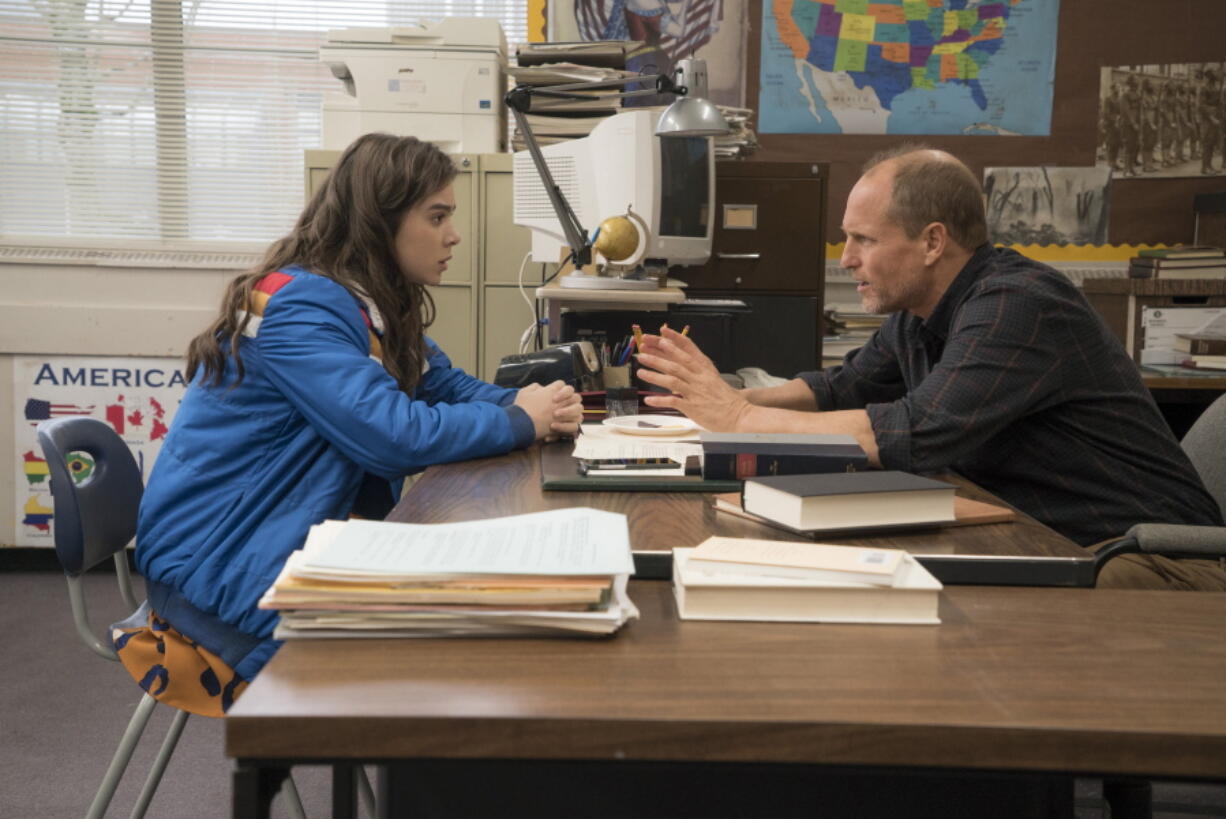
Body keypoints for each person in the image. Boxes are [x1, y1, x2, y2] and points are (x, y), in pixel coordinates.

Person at [116, 133, 583, 715]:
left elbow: (444, 385)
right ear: (378, 222)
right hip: (221, 573)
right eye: (436, 216)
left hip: (272, 542)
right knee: (467, 657)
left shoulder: (361, 300)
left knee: (483, 619)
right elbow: (392, 436)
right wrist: (520, 420)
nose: (453, 234)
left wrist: (537, 406)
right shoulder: (300, 309)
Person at [635, 146, 1226, 591]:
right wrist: (711, 397)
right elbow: (841, 388)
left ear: (933, 241)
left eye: (864, 239)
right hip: (1050, 537)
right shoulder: (920, 311)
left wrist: (735, 413)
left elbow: (913, 431)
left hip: (1149, 560)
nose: (847, 259)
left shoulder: (1018, 304)